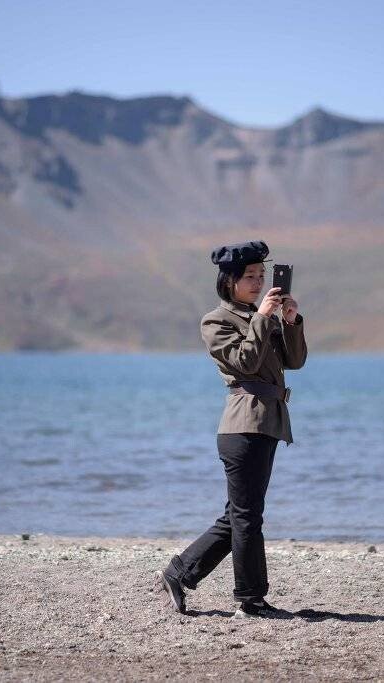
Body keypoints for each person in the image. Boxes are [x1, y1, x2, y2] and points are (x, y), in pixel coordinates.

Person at [155, 240, 307, 619]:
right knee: (246, 516)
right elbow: (246, 362)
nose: (258, 283)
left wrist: (290, 321)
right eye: (249, 277)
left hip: (267, 422)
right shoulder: (216, 321)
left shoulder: (263, 316)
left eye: (261, 276)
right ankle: (250, 599)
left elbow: (295, 361)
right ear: (229, 281)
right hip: (243, 426)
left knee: (240, 514)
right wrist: (262, 319)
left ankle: (180, 572)